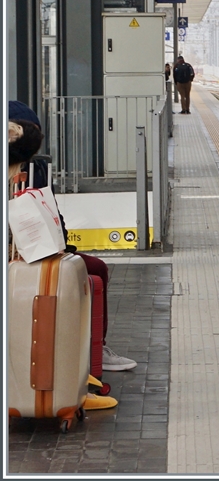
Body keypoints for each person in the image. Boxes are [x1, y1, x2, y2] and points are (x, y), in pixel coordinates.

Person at [8, 101, 136, 412]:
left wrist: (61, 247)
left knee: (92, 270)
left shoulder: (36, 171)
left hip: (34, 256)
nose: (23, 168)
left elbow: (51, 214)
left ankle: (91, 356)